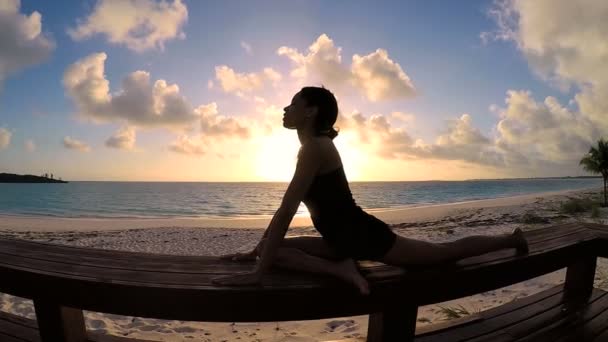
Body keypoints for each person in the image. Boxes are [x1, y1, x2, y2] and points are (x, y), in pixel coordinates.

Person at [212, 86, 528, 295]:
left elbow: (287, 209)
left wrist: (258, 273)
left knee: (442, 256)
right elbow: (284, 212)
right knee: (272, 247)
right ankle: (339, 265)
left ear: (310, 112)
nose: (286, 107)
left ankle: (511, 239)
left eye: (294, 103)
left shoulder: (315, 149)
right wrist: (258, 250)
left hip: (362, 235)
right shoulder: (314, 146)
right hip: (339, 239)